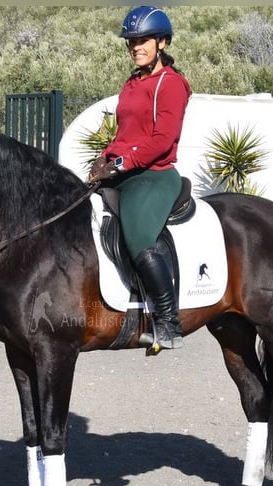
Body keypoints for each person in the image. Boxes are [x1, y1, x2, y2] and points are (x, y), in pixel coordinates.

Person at [88, 5, 191, 350]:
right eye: (131, 41)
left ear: (161, 42)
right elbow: (125, 132)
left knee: (138, 236)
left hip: (154, 175)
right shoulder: (132, 83)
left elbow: (162, 139)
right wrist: (105, 158)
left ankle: (167, 322)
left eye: (143, 40)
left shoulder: (172, 84)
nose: (136, 46)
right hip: (124, 170)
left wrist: (123, 162)